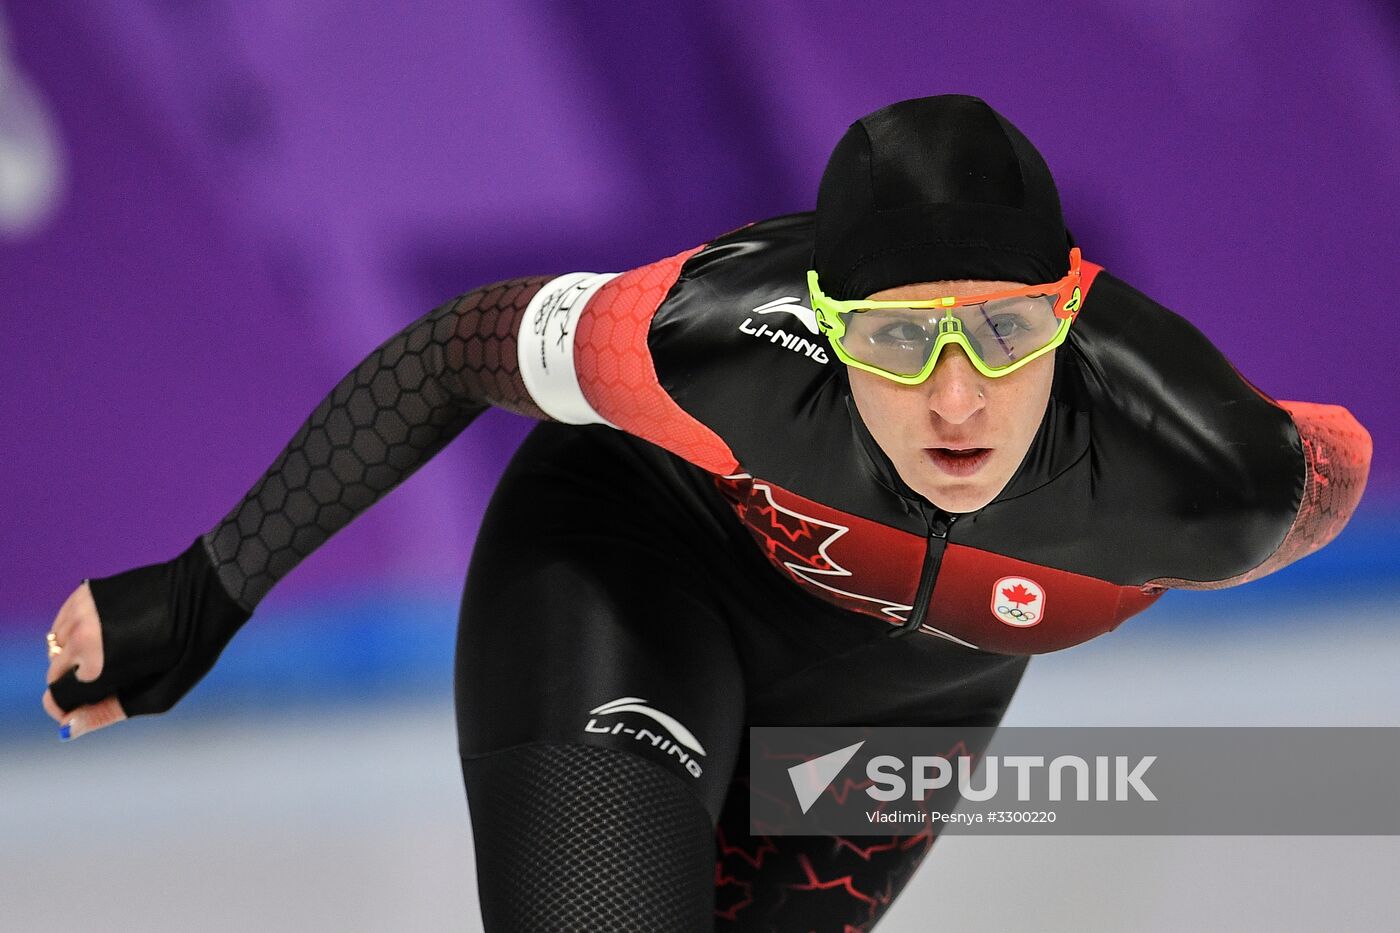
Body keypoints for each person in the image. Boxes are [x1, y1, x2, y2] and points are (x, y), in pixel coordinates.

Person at [42, 94, 1371, 931]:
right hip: (636, 572)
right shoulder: (706, 335)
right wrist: (208, 590)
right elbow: (458, 350)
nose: (956, 396)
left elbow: (1334, 460)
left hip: (898, 702)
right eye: (900, 341)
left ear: (1071, 311)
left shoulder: (1221, 479)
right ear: (828, 327)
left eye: (1007, 332)